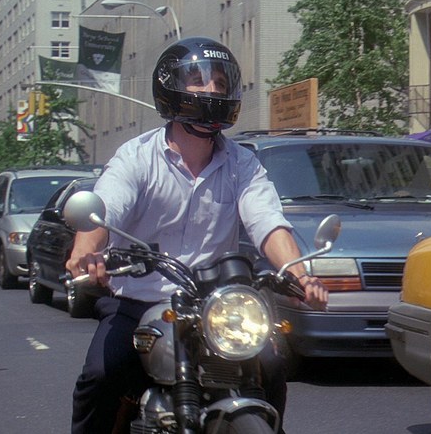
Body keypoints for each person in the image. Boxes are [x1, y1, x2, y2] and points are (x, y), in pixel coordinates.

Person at [66, 36, 328, 434]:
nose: (212, 90)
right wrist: (86, 252)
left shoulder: (243, 164)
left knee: (272, 365)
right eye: (199, 80)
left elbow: (267, 221)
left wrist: (300, 275)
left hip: (217, 308)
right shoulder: (136, 158)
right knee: (102, 374)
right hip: (138, 301)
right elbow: (106, 208)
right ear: (170, 88)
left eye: (220, 83)